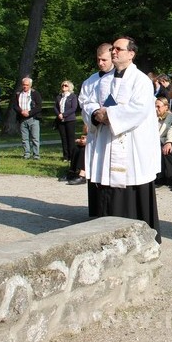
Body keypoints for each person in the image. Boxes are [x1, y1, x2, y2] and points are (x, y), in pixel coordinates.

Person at [82, 36, 161, 243]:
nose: (114, 52)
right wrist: (95, 114)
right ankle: (109, 233)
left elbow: (138, 110)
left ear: (131, 54)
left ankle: (140, 237)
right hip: (108, 142)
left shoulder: (141, 80)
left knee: (132, 184)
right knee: (109, 187)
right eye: (113, 49)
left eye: (119, 49)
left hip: (132, 145)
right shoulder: (103, 80)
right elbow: (88, 102)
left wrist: (109, 116)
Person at [78, 43, 114, 215]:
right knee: (95, 169)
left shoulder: (120, 77)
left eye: (104, 60)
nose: (101, 63)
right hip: (95, 131)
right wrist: (94, 113)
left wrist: (106, 113)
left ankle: (111, 210)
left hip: (112, 133)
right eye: (98, 60)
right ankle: (97, 210)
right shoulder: (90, 80)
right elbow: (83, 102)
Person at [13, 78, 42, 160]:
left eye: (27, 85)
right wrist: (21, 111)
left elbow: (39, 106)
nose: (25, 86)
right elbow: (15, 106)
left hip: (33, 118)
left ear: (30, 85)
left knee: (35, 138)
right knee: (24, 138)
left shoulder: (35, 93)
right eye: (24, 85)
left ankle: (36, 155)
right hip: (22, 118)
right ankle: (27, 154)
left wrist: (29, 112)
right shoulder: (18, 94)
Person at [155, 96, 172, 186]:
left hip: (166, 141)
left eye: (158, 106)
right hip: (155, 142)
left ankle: (162, 178)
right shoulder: (152, 117)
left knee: (162, 149)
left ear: (166, 107)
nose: (156, 109)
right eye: (155, 106)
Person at [54, 80, 78, 162]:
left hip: (70, 120)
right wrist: (59, 115)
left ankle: (72, 156)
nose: (64, 87)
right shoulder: (59, 97)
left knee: (70, 138)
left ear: (69, 87)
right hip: (60, 120)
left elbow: (73, 108)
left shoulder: (73, 96)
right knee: (63, 138)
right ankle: (65, 156)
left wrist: (64, 114)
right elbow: (55, 107)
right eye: (63, 85)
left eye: (66, 85)